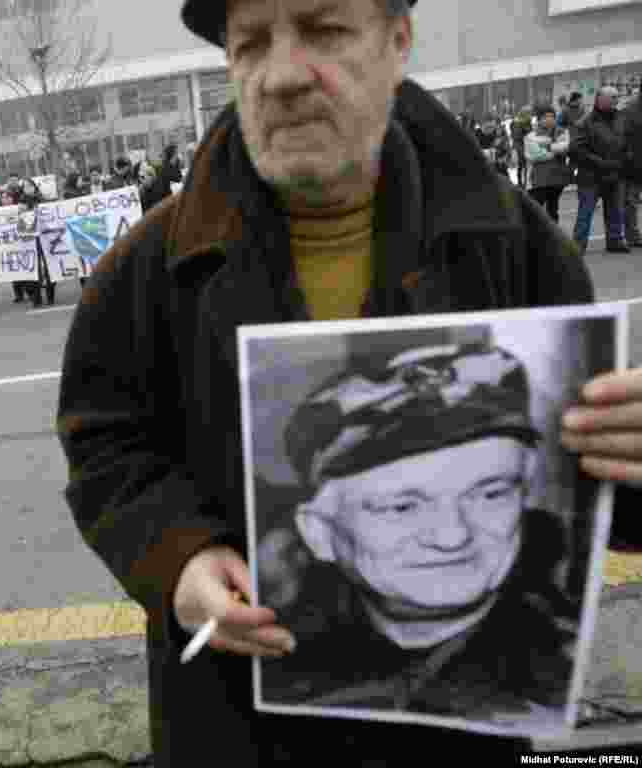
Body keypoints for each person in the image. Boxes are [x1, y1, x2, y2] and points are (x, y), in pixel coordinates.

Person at [56, 0, 642, 764]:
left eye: (325, 30)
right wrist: (179, 556)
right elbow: (106, 445)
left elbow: (596, 491)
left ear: (398, 41)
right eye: (251, 44)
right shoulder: (145, 269)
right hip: (236, 730)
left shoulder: (514, 247)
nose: (283, 75)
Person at [260, 344, 575, 721]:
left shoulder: (579, 673)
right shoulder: (270, 671)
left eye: (490, 494)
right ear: (318, 532)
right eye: (402, 506)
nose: (452, 536)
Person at [570, 86, 629, 255]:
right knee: (585, 212)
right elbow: (576, 149)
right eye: (612, 97)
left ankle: (615, 240)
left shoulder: (620, 118)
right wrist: (599, 162)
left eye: (617, 97)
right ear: (600, 99)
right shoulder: (585, 122)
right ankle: (578, 245)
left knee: (615, 210)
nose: (616, 100)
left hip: (615, 172)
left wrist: (625, 159)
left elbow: (625, 141)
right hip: (591, 175)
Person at [525, 103, 574, 223]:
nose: (549, 119)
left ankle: (553, 237)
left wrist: (546, 146)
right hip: (538, 180)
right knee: (534, 212)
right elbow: (534, 155)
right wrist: (553, 149)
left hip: (556, 179)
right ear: (539, 119)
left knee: (553, 211)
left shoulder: (561, 131)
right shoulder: (531, 135)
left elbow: (565, 148)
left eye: (551, 116)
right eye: (545, 116)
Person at [15, 177, 53, 307]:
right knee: (34, 269)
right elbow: (21, 219)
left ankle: (50, 295)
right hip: (30, 239)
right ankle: (36, 298)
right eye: (25, 187)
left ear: (34, 186)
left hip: (45, 238)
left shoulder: (42, 199)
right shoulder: (21, 201)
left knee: (49, 267)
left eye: (30, 186)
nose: (28, 188)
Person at [621, 88, 642, 248]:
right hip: (634, 163)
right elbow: (624, 137)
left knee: (631, 201)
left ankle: (633, 235)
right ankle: (633, 235)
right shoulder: (629, 111)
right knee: (631, 201)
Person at [509, 105, 533, 188]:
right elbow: (517, 136)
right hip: (520, 146)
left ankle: (524, 182)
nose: (530, 115)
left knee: (524, 165)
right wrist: (526, 133)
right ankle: (521, 183)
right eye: (529, 113)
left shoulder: (526, 122)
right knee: (522, 165)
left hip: (524, 145)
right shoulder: (517, 122)